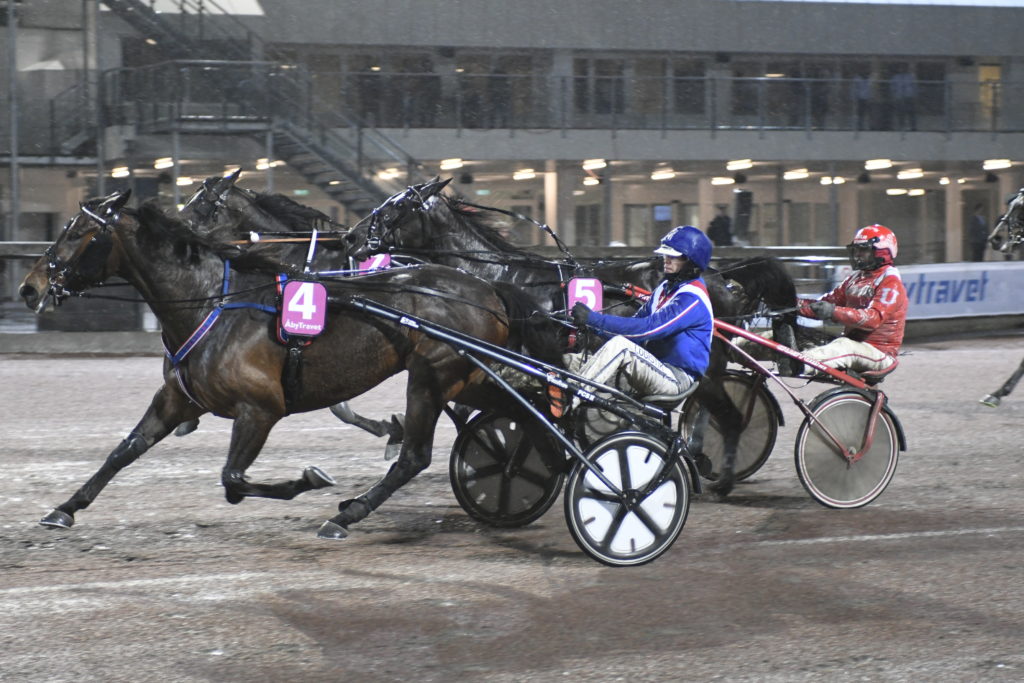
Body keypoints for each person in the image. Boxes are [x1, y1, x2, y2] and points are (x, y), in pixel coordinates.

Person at [558, 225, 714, 414]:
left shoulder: (693, 298)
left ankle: (567, 401)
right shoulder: (664, 289)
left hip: (675, 379)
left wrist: (593, 319)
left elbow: (647, 329)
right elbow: (633, 330)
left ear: (691, 262)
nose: (666, 259)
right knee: (567, 360)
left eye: (673, 256)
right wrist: (589, 324)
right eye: (666, 254)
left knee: (621, 346)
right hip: (651, 367)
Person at [797, 224, 907, 376]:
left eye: (864, 250)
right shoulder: (855, 279)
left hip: (879, 352)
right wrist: (789, 303)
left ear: (882, 252)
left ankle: (797, 364)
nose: (858, 255)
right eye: (856, 250)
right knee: (796, 333)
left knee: (844, 345)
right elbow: (824, 304)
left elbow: (873, 319)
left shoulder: (891, 282)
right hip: (853, 345)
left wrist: (832, 311)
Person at [890, 65, 917, 131]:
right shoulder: (895, 77)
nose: (902, 70)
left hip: (909, 96)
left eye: (903, 68)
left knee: (911, 112)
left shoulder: (910, 77)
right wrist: (894, 95)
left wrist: (914, 95)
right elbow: (892, 87)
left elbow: (914, 86)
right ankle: (901, 126)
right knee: (900, 112)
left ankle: (913, 127)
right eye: (900, 68)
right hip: (899, 97)